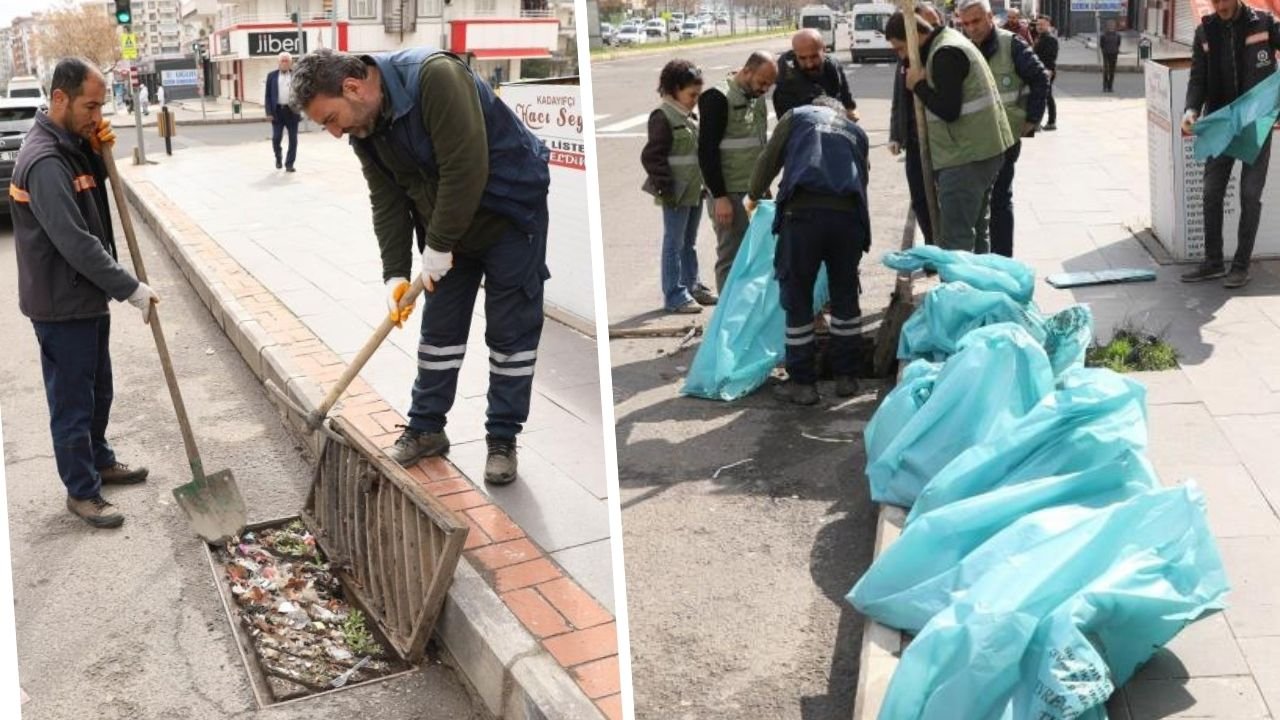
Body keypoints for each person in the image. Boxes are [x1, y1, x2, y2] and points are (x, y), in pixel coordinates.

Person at [291, 48, 550, 485]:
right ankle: (426, 428)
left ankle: (502, 438)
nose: (336, 132)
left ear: (352, 88)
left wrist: (438, 245)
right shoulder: (364, 126)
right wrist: (395, 271)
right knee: (439, 334)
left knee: (510, 335)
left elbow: (465, 168)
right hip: (447, 230)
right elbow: (387, 199)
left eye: (331, 118)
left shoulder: (435, 78)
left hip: (510, 214)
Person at [9, 57, 160, 528]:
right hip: (61, 302)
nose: (98, 115)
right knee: (73, 402)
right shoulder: (45, 160)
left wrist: (96, 150)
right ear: (60, 99)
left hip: (84, 296)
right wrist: (129, 288)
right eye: (91, 106)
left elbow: (91, 198)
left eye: (101, 106)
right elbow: (75, 241)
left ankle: (99, 461)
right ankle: (81, 491)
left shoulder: (72, 145)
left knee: (99, 391)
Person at [746, 96, 871, 405]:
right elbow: (862, 178)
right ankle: (846, 378)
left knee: (798, 297)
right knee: (844, 296)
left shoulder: (798, 115)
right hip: (848, 219)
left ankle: (803, 383)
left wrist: (752, 194)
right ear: (839, 112)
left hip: (804, 217)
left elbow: (769, 158)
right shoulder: (857, 132)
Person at [887, 10, 1015, 253]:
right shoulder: (949, 42)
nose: (902, 56)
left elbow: (948, 110)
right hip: (980, 151)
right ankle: (978, 287)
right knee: (976, 232)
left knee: (956, 239)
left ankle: (959, 290)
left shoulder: (944, 53)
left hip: (966, 158)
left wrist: (918, 85)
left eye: (901, 48)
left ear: (915, 35)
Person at [1180, 0, 1280, 288]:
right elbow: (1197, 78)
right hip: (1221, 123)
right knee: (1211, 192)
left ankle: (1240, 266)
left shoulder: (1264, 23)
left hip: (1255, 124)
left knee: (1250, 194)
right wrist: (1191, 110)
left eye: (1224, 0)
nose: (1219, 6)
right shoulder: (1204, 31)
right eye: (1214, 0)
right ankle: (1212, 262)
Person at [955, 0, 1049, 258]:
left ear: (989, 17)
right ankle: (980, 260)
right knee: (974, 203)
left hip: (1005, 137)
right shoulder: (960, 47)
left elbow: (1040, 77)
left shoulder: (1011, 44)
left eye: (976, 21)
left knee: (999, 200)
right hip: (972, 140)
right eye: (966, 23)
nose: (972, 28)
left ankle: (1002, 261)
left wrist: (1031, 121)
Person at [641, 59, 717, 314]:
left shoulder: (689, 115)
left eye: (697, 94)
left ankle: (692, 286)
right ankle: (674, 295)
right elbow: (652, 157)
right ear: (674, 89)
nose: (695, 99)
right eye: (691, 94)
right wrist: (665, 188)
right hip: (676, 192)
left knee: (689, 242)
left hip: (695, 189)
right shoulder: (662, 116)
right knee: (673, 243)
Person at [697, 51, 778, 291]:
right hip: (730, 194)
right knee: (731, 258)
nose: (764, 89)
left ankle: (748, 317)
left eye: (769, 85)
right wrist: (719, 197)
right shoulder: (717, 98)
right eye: (762, 82)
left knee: (759, 256)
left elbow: (759, 145)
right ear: (747, 71)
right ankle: (728, 324)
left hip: (755, 192)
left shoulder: (756, 96)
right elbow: (707, 153)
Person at [889, 1, 944, 244]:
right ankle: (931, 246)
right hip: (913, 140)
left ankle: (945, 245)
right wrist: (896, 134)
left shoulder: (939, 54)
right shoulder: (905, 59)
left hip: (939, 141)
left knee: (942, 199)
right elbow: (899, 98)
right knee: (920, 198)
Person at [773, 28, 859, 120]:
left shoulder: (833, 67)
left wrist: (850, 110)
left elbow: (847, 99)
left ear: (824, 50)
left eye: (814, 57)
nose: (809, 64)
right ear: (795, 54)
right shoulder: (786, 77)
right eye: (802, 58)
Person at [265, 52, 300, 172]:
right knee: (276, 138)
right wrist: (269, 112)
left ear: (291, 63)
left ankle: (289, 164)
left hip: (292, 112)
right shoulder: (271, 76)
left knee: (293, 140)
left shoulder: (296, 76)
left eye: (287, 61)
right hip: (277, 112)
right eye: (282, 61)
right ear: (278, 63)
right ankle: (278, 157)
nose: (284, 63)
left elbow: (301, 92)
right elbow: (268, 96)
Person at [1035, 15, 1060, 130]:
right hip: (1039, 70)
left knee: (1047, 96)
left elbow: (1051, 57)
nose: (1039, 26)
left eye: (1042, 24)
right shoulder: (1040, 37)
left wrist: (1048, 71)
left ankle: (1051, 122)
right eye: (1038, 24)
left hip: (1046, 71)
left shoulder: (1050, 39)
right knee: (1044, 96)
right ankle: (1044, 122)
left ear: (1048, 25)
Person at [1099, 20, 1122, 92]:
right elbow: (1101, 45)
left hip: (1114, 53)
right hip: (1106, 53)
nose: (1111, 27)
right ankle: (1105, 86)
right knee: (1106, 70)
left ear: (1114, 27)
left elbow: (1118, 44)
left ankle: (1110, 86)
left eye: (1112, 25)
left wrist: (1116, 50)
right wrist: (1104, 50)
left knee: (1112, 70)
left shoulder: (1118, 36)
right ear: (1107, 27)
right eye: (1110, 25)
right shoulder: (1103, 35)